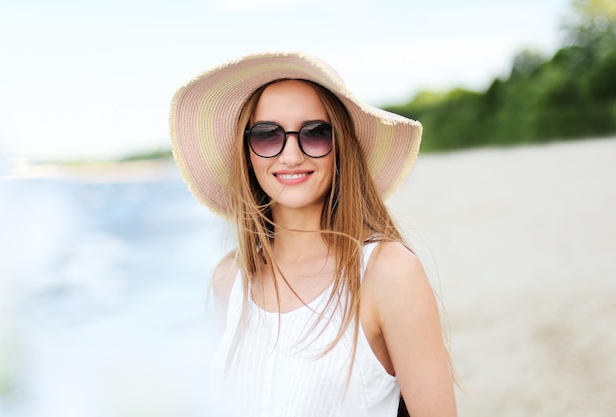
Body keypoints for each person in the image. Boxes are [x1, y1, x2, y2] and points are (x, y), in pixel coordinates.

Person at [169, 52, 457, 417]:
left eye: (315, 134)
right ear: (247, 153)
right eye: (267, 135)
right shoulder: (229, 280)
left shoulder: (388, 273)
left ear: (340, 148)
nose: (290, 155)